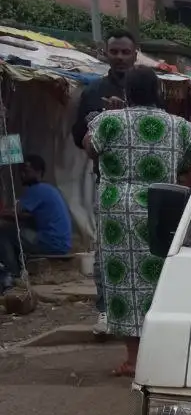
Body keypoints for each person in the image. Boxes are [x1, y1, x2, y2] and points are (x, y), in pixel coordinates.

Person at [83, 66, 191, 377]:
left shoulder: (109, 120)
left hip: (117, 210)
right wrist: (182, 174)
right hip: (161, 204)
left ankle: (133, 358)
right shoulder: (176, 125)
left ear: (127, 92)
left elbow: (89, 146)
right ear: (159, 92)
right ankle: (165, 353)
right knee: (158, 279)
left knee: (124, 283)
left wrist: (98, 120)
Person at [72, 30, 139, 336]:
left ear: (135, 54)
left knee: (144, 251)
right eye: (115, 52)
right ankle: (105, 311)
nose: (121, 57)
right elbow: (77, 137)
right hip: (108, 182)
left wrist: (127, 116)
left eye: (126, 52)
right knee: (106, 252)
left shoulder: (149, 88)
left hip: (145, 183)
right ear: (106, 54)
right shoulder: (93, 91)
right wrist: (103, 123)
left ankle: (144, 315)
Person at [0, 155, 73, 293]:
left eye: (27, 170)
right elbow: (25, 215)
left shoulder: (36, 190)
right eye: (21, 170)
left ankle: (12, 274)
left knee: (5, 233)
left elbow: (16, 213)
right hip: (61, 242)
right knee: (16, 232)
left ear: (39, 172)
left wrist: (2, 213)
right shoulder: (48, 189)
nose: (22, 174)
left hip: (51, 241)